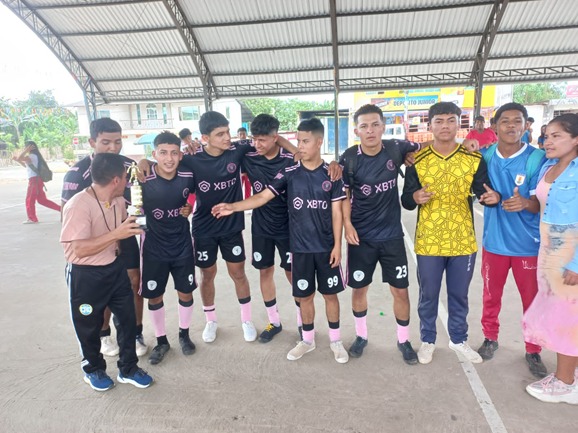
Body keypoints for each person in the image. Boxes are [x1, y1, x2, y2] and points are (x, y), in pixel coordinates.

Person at [213, 118, 349, 364]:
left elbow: (337, 212)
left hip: (325, 248)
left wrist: (338, 246)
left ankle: (336, 341)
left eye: (305, 141)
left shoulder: (331, 174)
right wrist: (232, 206)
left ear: (319, 142)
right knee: (304, 296)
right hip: (299, 248)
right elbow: (263, 196)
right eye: (299, 141)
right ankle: (306, 340)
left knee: (330, 296)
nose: (300, 147)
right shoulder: (289, 172)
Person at [401, 101, 501, 365]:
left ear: (459, 124)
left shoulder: (473, 159)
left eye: (450, 121)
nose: (445, 126)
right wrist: (415, 196)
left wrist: (493, 198)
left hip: (462, 240)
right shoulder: (418, 161)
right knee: (428, 295)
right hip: (429, 241)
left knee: (459, 295)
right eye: (439, 121)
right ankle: (428, 340)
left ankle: (458, 339)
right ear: (430, 125)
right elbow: (406, 200)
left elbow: (483, 191)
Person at [60, 153, 153, 391]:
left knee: (128, 319)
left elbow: (124, 228)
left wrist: (137, 221)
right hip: (85, 275)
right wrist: (116, 234)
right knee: (88, 325)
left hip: (114, 268)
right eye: (125, 178)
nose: (127, 183)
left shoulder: (118, 201)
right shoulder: (78, 205)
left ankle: (128, 368)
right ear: (116, 180)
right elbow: (78, 249)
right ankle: (93, 369)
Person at [340, 104, 421, 364]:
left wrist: (413, 154)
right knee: (359, 290)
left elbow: (428, 146)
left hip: (391, 236)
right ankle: (361, 336)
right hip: (361, 238)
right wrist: (347, 225)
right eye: (364, 126)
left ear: (383, 127)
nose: (370, 130)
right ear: (356, 131)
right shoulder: (349, 158)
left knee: (401, 291)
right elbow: (344, 196)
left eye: (375, 124)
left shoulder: (396, 148)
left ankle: (403, 340)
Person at [476, 102, 548, 378]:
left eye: (517, 121)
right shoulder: (485, 156)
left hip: (527, 245)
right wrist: (489, 197)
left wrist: (526, 204)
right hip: (494, 243)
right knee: (490, 295)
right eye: (505, 121)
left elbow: (543, 203)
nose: (511, 126)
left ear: (526, 125)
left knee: (531, 299)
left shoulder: (537, 159)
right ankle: (490, 337)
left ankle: (533, 349)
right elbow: (476, 189)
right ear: (494, 126)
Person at [524, 113, 578, 404]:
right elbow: (539, 204)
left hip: (570, 255)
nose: (548, 141)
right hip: (548, 250)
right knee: (561, 314)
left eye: (557, 136)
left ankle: (565, 383)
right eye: (547, 136)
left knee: (567, 319)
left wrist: (576, 265)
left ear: (576, 139)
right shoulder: (549, 166)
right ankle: (571, 375)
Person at [139, 132, 197, 365]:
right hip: (153, 247)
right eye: (163, 153)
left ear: (180, 155)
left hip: (182, 245)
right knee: (155, 295)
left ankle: (184, 334)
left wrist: (189, 206)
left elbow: (194, 194)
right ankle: (161, 340)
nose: (169, 158)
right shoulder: (143, 178)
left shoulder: (188, 175)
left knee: (186, 292)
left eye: (174, 153)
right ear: (154, 154)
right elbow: (133, 206)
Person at [242, 114, 298, 342]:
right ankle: (274, 321)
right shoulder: (248, 156)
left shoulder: (289, 159)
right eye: (254, 139)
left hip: (288, 227)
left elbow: (304, 156)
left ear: (275, 137)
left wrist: (288, 144)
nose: (257, 144)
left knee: (292, 273)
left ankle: (303, 322)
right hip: (261, 226)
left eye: (262, 140)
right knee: (265, 271)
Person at [13, 140, 60, 223]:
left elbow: (20, 158)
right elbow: (26, 165)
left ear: (29, 147)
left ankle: (32, 218)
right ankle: (62, 209)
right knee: (42, 200)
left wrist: (25, 151)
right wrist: (18, 160)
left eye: (25, 146)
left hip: (34, 180)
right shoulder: (34, 156)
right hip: (37, 180)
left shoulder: (32, 156)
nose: (24, 148)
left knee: (30, 200)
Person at [238, 126, 252, 200]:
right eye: (240, 134)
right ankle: (239, 202)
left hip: (249, 170)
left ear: (246, 134)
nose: (242, 136)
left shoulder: (251, 144)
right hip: (239, 171)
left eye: (243, 134)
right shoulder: (235, 145)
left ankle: (248, 201)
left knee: (248, 187)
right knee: (239, 188)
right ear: (237, 135)